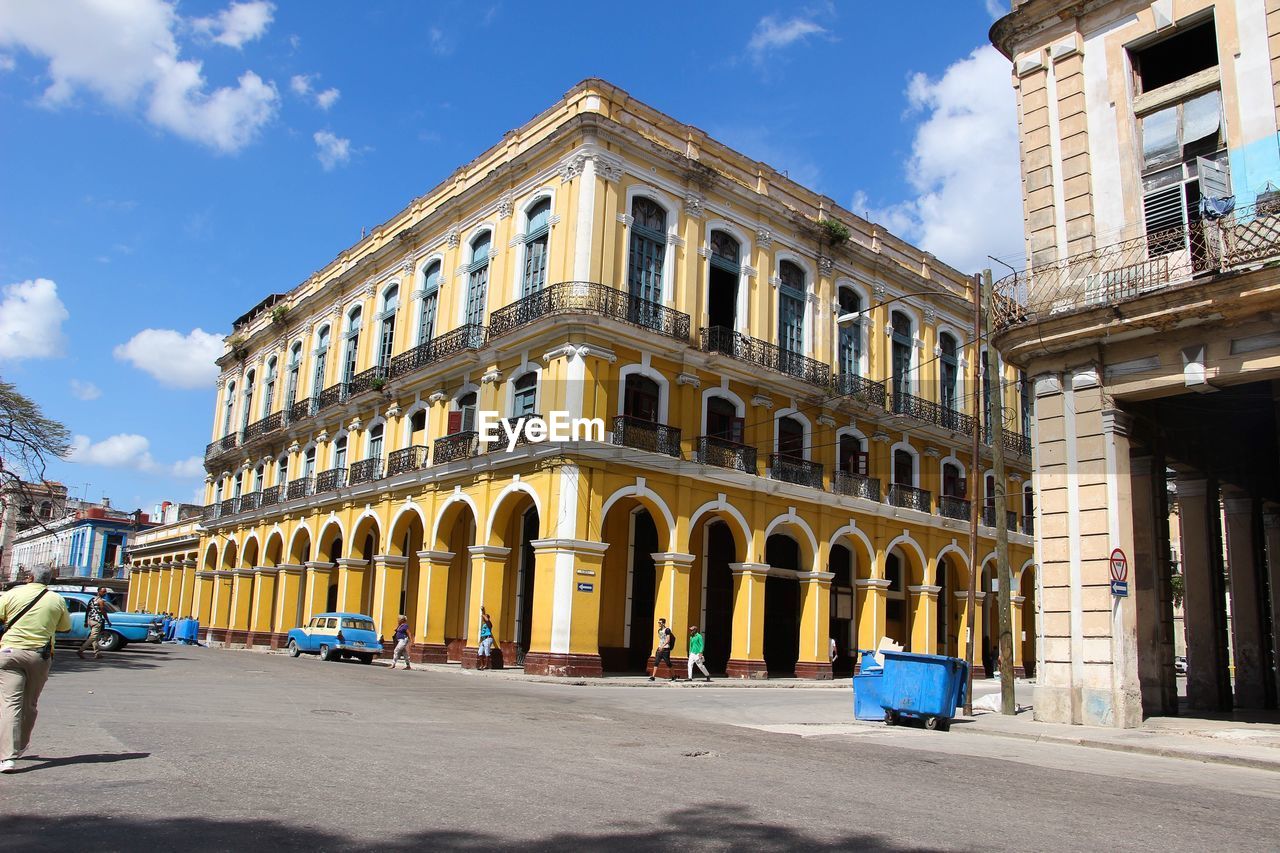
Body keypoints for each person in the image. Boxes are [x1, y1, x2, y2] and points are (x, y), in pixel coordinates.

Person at [0, 566, 71, 772]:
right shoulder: (56, 600)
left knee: (9, 703)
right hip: (39, 655)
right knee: (30, 703)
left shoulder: (12, 593)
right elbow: (65, 627)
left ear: (29, 577)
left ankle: (7, 757)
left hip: (9, 653)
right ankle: (20, 745)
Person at [78, 588, 112, 660]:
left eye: (105, 592)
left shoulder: (92, 600)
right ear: (99, 592)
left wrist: (86, 621)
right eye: (103, 592)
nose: (105, 593)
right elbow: (103, 612)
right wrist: (108, 621)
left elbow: (87, 610)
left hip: (91, 620)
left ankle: (97, 653)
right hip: (97, 621)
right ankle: (81, 650)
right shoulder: (101, 601)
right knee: (93, 637)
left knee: (94, 637)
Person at [650, 617, 675, 682]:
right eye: (658, 622)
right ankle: (653, 677)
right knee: (656, 662)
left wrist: (663, 646)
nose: (659, 624)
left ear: (663, 623)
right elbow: (661, 639)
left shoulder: (667, 630)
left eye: (660, 623)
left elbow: (668, 640)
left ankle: (673, 676)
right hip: (660, 648)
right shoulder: (659, 630)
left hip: (666, 649)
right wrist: (659, 647)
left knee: (668, 663)